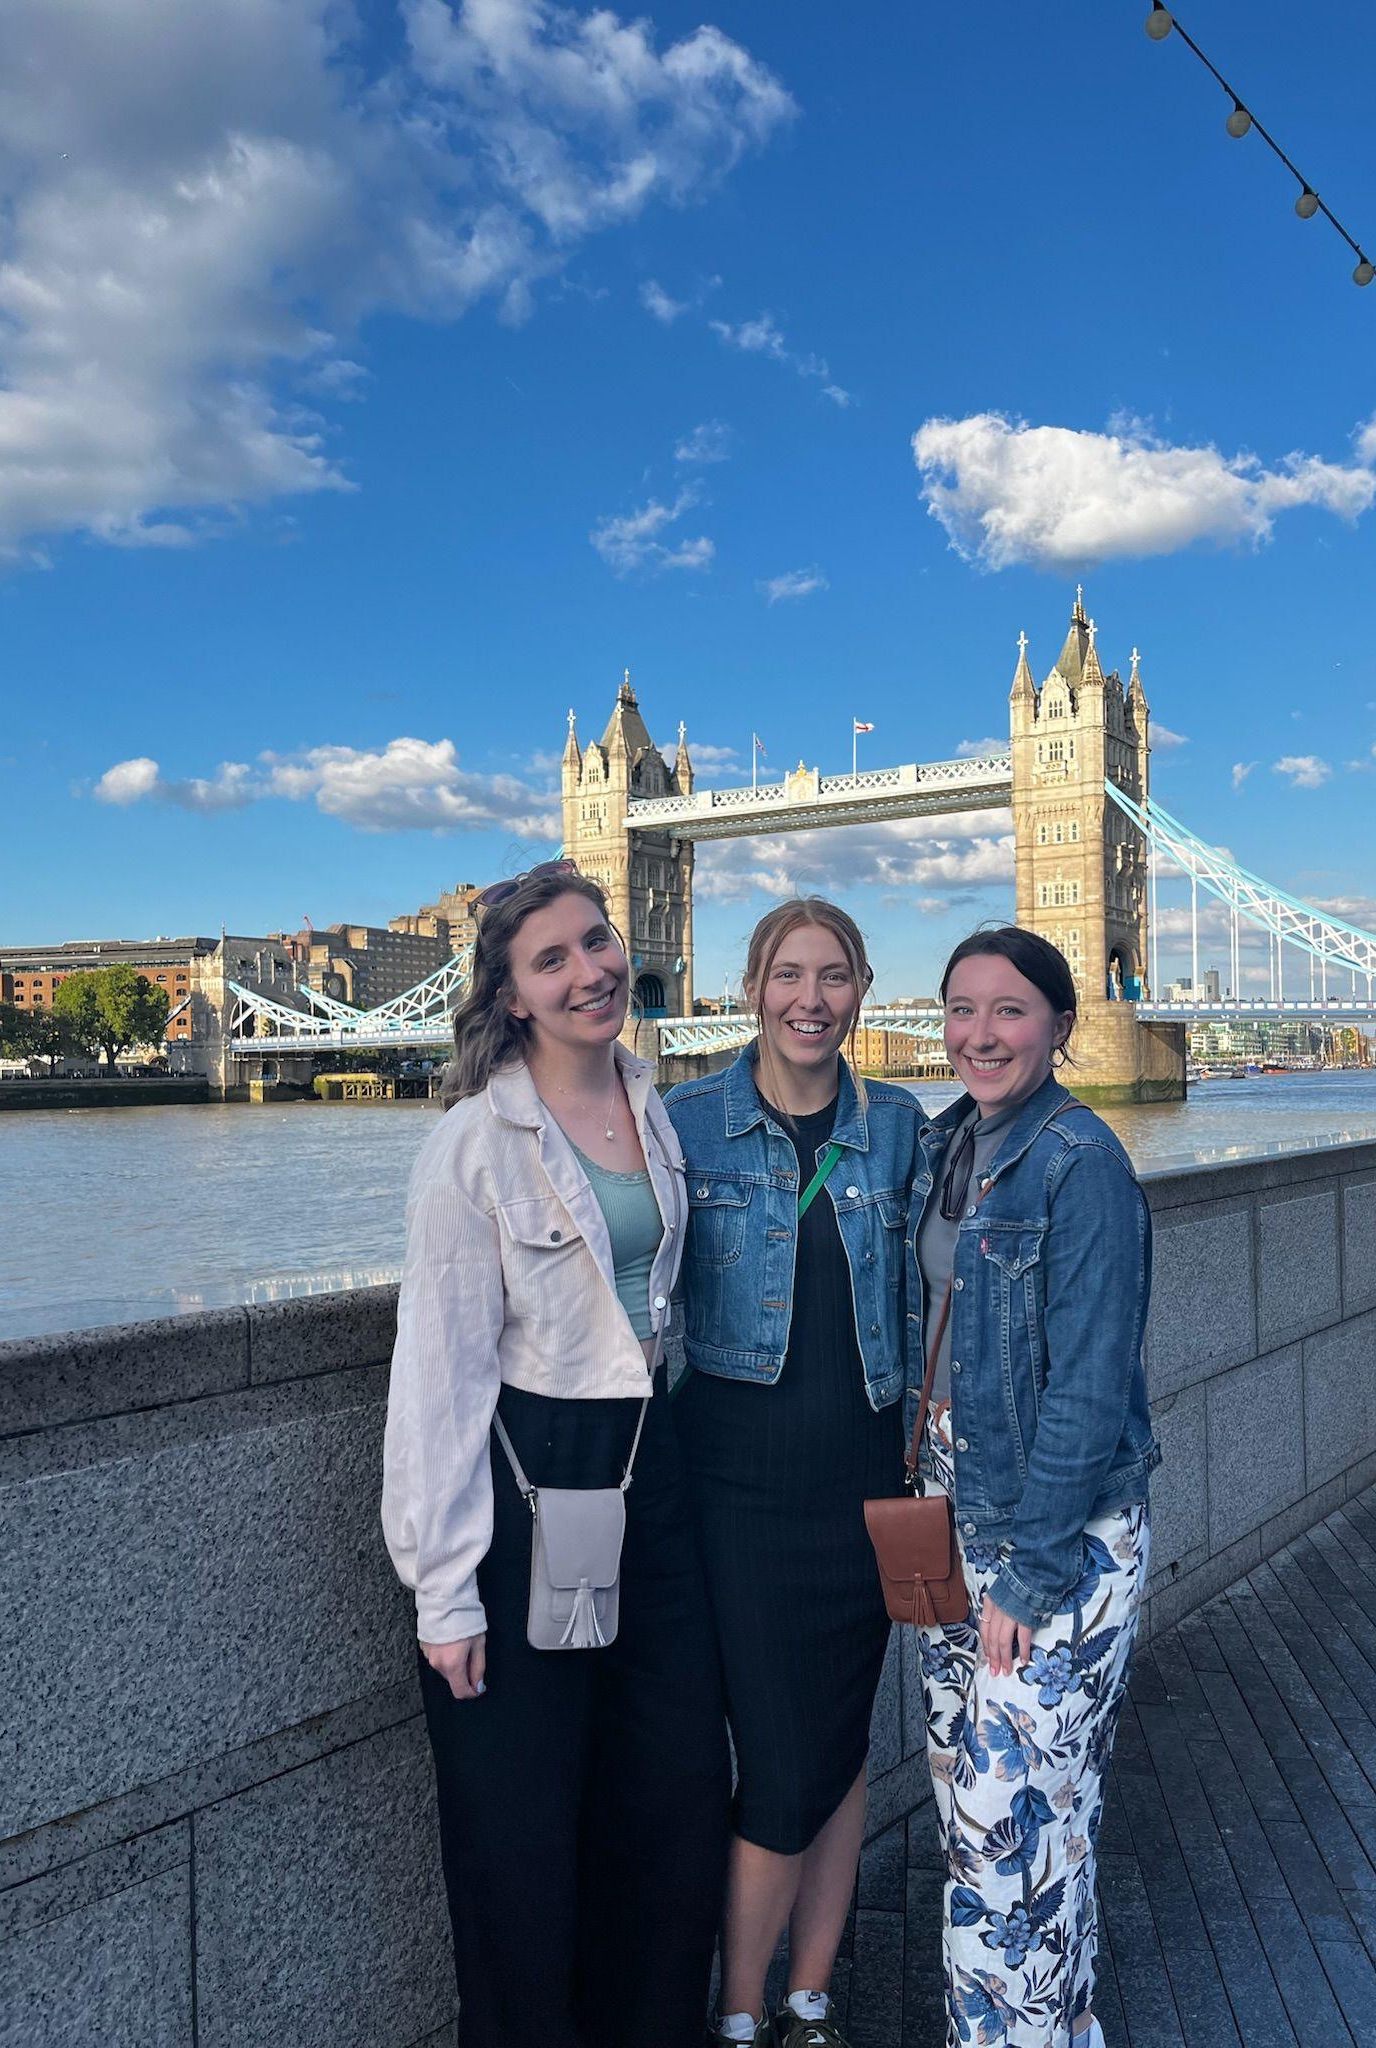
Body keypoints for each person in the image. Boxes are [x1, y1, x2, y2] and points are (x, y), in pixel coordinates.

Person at [380, 861, 729, 2048]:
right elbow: (437, 1374)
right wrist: (442, 1588)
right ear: (510, 995)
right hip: (530, 1480)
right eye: (552, 958)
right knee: (521, 1826)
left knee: (673, 1794)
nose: (590, 970)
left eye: (597, 940)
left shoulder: (652, 1103)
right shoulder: (471, 1145)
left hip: (651, 1467)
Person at [666, 897, 925, 2048]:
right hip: (734, 1494)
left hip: (865, 1489)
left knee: (837, 1741)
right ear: (750, 989)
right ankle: (736, 2012)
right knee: (778, 1760)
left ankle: (806, 1998)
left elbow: (956, 1280)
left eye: (832, 975)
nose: (808, 999)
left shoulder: (904, 1127)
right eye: (786, 974)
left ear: (861, 989)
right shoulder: (684, 1124)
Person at [905, 927, 1161, 2048]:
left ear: (1060, 1024)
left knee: (1003, 1825)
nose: (979, 1033)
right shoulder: (945, 1142)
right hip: (949, 1506)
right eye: (960, 1008)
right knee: (1011, 1818)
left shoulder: (1080, 1163)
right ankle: (1062, 2026)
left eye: (1008, 1010)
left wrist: (1030, 1568)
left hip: (1054, 1534)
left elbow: (1091, 1387)